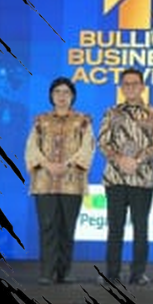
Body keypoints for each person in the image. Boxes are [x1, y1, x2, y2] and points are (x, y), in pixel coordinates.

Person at [97, 68, 153, 286]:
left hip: (143, 179)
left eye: (135, 83)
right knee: (115, 228)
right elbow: (103, 142)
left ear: (142, 87)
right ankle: (112, 273)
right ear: (121, 87)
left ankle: (138, 274)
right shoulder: (111, 113)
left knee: (140, 228)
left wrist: (137, 160)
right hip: (115, 179)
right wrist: (120, 159)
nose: (131, 87)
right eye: (126, 84)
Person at [24, 77, 95, 285]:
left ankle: (65, 271)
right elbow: (31, 148)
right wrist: (47, 164)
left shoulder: (83, 121)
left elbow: (88, 148)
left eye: (66, 92)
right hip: (44, 182)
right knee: (47, 227)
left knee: (67, 228)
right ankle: (47, 272)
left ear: (72, 96)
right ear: (51, 96)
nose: (61, 96)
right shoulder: (40, 121)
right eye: (57, 92)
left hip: (72, 182)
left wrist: (67, 164)